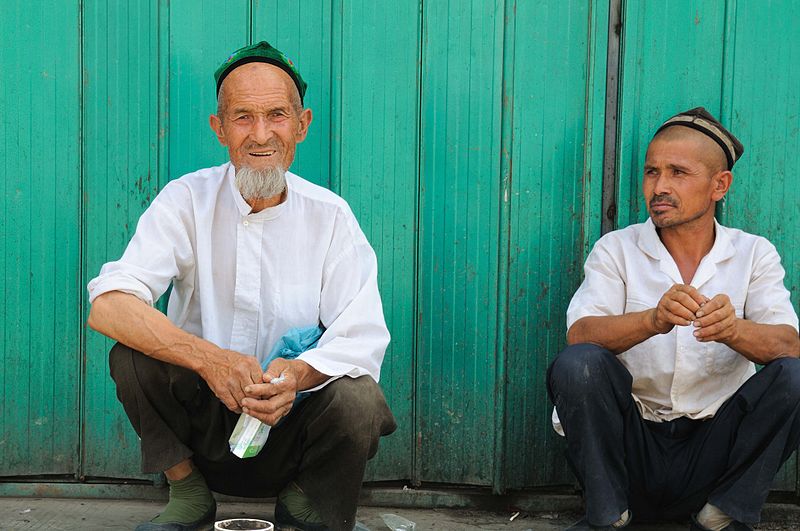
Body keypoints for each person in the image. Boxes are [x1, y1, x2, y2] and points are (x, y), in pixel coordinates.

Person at [87, 41, 396, 531]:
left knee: (358, 397)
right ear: (219, 129)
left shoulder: (331, 217)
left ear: (302, 124)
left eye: (276, 115)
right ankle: (187, 491)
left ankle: (305, 502)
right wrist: (209, 361)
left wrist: (295, 376)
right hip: (204, 425)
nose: (260, 134)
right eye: (242, 117)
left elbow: (362, 337)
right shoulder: (186, 199)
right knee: (130, 352)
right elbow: (108, 305)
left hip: (290, 430)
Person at [547, 107, 800, 531]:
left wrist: (735, 330)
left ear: (720, 185)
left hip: (712, 452)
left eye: (678, 173)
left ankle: (721, 516)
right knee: (578, 365)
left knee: (795, 377)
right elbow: (581, 335)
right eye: (651, 172)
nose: (659, 187)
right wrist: (652, 320)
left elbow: (790, 345)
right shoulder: (617, 249)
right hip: (633, 450)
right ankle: (608, 515)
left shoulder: (754, 253)